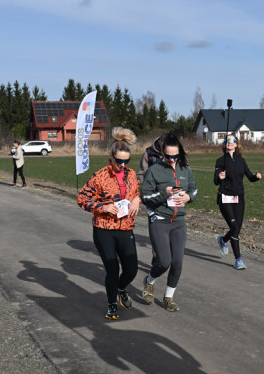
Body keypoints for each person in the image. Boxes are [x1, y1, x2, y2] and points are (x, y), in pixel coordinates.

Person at [77, 128, 143, 320]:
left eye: (126, 161)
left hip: (126, 228)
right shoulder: (99, 176)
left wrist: (138, 199)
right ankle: (112, 303)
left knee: (131, 269)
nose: (122, 165)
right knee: (112, 268)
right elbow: (82, 198)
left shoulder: (131, 175)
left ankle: (122, 288)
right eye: (119, 161)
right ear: (111, 157)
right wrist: (103, 208)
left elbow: (136, 193)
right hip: (104, 229)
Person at [140, 133, 198, 312]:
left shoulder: (185, 169)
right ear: (162, 154)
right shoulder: (154, 170)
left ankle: (168, 298)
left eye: (175, 156)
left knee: (178, 262)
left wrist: (188, 197)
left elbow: (194, 189)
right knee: (164, 261)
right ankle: (149, 280)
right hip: (160, 221)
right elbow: (145, 197)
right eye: (168, 156)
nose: (172, 160)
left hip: (179, 222)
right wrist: (165, 193)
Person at [213, 135, 262, 270]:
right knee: (234, 228)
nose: (229, 142)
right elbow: (215, 181)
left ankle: (223, 240)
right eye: (227, 141)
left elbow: (250, 177)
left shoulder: (241, 161)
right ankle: (238, 260)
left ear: (236, 144)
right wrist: (219, 176)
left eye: (232, 141)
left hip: (239, 198)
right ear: (224, 144)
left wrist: (256, 177)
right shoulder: (220, 161)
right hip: (225, 197)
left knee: (237, 229)